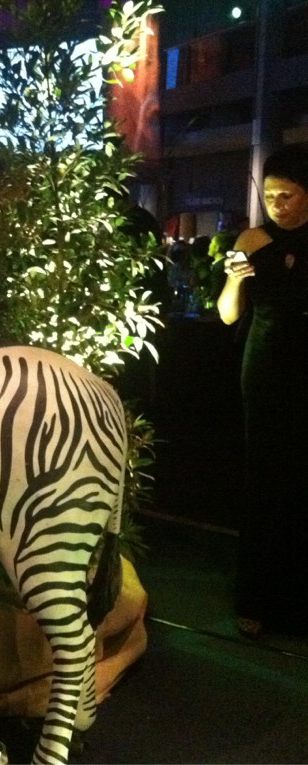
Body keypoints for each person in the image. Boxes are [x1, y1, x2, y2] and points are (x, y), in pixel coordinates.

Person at [217, 145, 308, 639]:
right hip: (266, 363)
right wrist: (234, 282)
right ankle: (254, 598)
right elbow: (228, 314)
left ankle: (295, 601)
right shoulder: (252, 239)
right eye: (270, 196)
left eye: (286, 196)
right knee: (265, 478)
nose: (277, 205)